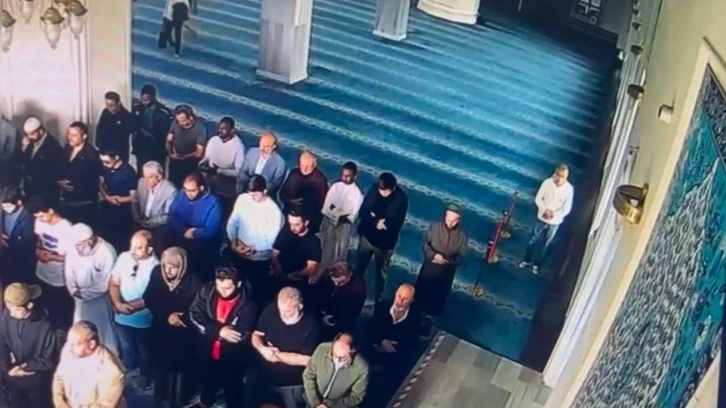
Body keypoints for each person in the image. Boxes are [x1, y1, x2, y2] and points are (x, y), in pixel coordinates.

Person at [189, 266, 257, 408]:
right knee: (207, 383)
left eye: (227, 288)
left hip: (233, 356)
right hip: (207, 349)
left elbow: (242, 332)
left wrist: (212, 329)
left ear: (238, 284)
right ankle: (206, 400)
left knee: (233, 389)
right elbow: (195, 312)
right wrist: (218, 331)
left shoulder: (249, 301)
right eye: (219, 286)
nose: (222, 292)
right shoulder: (208, 290)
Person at [143, 247, 202, 408]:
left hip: (182, 334)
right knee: (160, 366)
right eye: (165, 265)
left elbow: (198, 308)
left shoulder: (194, 281)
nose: (168, 270)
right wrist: (167, 315)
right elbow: (149, 298)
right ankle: (160, 397)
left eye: (173, 267)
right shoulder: (157, 273)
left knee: (179, 371)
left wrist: (180, 317)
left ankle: (177, 400)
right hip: (161, 330)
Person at [252, 287, 321, 408]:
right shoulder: (271, 310)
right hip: (266, 378)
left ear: (299, 306)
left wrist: (274, 355)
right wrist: (262, 349)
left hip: (292, 384)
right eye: (281, 310)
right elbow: (256, 334)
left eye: (288, 311)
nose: (284, 315)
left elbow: (307, 360)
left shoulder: (312, 324)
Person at [108, 231, 158, 385]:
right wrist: (118, 304)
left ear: (149, 249)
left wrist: (131, 307)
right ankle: (129, 370)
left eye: (138, 248)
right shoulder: (124, 258)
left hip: (143, 321)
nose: (132, 251)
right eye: (132, 246)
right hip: (121, 318)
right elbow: (114, 283)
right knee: (126, 346)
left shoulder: (156, 267)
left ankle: (145, 377)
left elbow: (152, 296)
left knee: (144, 351)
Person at [226, 174, 284, 305]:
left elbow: (273, 240)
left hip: (259, 259)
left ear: (265, 191)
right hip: (238, 252)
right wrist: (234, 241)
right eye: (250, 194)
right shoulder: (243, 199)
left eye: (256, 195)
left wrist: (252, 248)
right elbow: (233, 222)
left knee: (255, 291)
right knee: (237, 286)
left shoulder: (274, 211)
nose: (253, 198)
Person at [64, 223, 119, 355]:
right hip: (79, 299)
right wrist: (74, 290)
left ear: (90, 241)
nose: (76, 248)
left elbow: (105, 282)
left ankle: (109, 355)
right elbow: (68, 272)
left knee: (103, 329)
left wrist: (85, 294)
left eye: (80, 245)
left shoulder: (106, 252)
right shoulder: (73, 247)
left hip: (100, 299)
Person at [1, 283, 58, 408]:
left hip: (37, 384)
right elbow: (2, 343)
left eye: (16, 310)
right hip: (13, 381)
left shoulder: (44, 324)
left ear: (29, 305)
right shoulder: (6, 315)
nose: (12, 314)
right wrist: (8, 368)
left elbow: (49, 358)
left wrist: (25, 368)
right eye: (10, 309)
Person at [415, 205, 468, 334]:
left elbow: (462, 258)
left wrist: (446, 261)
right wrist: (433, 255)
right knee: (420, 295)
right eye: (448, 219)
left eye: (453, 221)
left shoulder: (462, 237)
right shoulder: (435, 227)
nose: (450, 223)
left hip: (445, 273)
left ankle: (428, 323)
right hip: (429, 268)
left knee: (437, 299)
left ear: (458, 220)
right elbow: (425, 244)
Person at [355, 172, 408, 300]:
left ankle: (378, 299)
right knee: (359, 267)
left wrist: (375, 217)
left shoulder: (401, 199)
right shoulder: (374, 190)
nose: (382, 193)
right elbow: (363, 211)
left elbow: (396, 223)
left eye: (386, 191)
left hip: (384, 244)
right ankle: (354, 292)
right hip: (367, 237)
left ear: (393, 188)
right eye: (381, 190)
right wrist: (377, 222)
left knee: (381, 274)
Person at [52, 321, 126, 408]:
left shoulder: (112, 371)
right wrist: (61, 404)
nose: (70, 348)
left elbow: (105, 406)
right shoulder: (69, 350)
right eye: (69, 343)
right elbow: (59, 377)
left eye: (75, 344)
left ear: (91, 344)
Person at [27, 196, 75, 329]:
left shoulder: (67, 228)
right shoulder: (40, 223)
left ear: (50, 211)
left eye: (42, 216)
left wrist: (51, 257)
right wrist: (38, 251)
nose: (40, 219)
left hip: (58, 278)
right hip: (42, 272)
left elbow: (72, 256)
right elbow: (39, 240)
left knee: (59, 310)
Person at [519, 164, 574, 275]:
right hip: (541, 218)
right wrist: (544, 210)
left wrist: (553, 214)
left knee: (545, 244)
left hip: (554, 222)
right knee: (533, 240)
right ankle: (526, 260)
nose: (559, 178)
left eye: (562, 176)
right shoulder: (547, 183)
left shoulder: (569, 189)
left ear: (566, 177)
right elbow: (538, 198)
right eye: (558, 175)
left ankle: (537, 265)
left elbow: (566, 208)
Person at [168, 172, 223, 281]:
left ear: (201, 188)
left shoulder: (214, 202)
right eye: (186, 190)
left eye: (192, 191)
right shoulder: (181, 194)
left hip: (204, 242)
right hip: (182, 235)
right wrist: (183, 230)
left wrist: (194, 233)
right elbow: (173, 214)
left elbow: (212, 229)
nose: (188, 194)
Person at [368, 283, 419, 393]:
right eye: (399, 296)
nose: (400, 301)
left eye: (405, 299)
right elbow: (372, 328)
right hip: (376, 346)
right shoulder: (382, 306)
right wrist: (381, 342)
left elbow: (411, 343)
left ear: (411, 300)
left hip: (397, 355)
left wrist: (393, 349)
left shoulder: (416, 318)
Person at [302, 333, 369, 408]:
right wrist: (316, 403)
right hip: (311, 402)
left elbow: (356, 396)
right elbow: (308, 375)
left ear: (352, 351)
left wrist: (329, 405)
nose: (338, 360)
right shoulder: (322, 349)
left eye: (343, 358)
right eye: (335, 355)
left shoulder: (361, 367)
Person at [320, 161, 363, 267]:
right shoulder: (335, 186)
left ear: (355, 176)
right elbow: (326, 206)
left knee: (340, 250)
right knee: (325, 247)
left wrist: (339, 215)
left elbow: (353, 215)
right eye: (343, 175)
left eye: (348, 176)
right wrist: (336, 213)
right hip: (329, 221)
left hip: (344, 226)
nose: (344, 178)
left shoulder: (357, 194)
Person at [59, 121, 102, 227]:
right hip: (68, 200)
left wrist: (75, 186)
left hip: (84, 204)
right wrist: (59, 182)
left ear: (84, 136)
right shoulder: (67, 149)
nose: (70, 137)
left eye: (74, 135)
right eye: (69, 134)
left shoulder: (91, 155)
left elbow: (93, 181)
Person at [271, 209, 322, 296]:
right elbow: (274, 254)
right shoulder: (285, 233)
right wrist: (279, 270)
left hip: (299, 283)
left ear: (306, 222)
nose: (292, 228)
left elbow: (311, 268)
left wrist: (295, 275)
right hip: (280, 279)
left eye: (297, 225)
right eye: (290, 224)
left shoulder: (313, 241)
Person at [199, 116, 245, 212]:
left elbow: (238, 172)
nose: (220, 131)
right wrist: (201, 164)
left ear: (232, 130)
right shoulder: (213, 140)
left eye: (224, 129)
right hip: (210, 184)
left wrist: (219, 171)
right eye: (219, 128)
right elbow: (207, 157)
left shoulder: (239, 147)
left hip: (226, 190)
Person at [131, 160, 178, 252]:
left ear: (159, 177)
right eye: (144, 176)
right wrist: (137, 218)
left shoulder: (170, 191)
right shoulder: (141, 182)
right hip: (141, 222)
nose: (145, 180)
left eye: (149, 177)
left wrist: (149, 223)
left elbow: (167, 216)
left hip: (159, 227)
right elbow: (135, 201)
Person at [313, 261, 366, 340]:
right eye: (333, 281)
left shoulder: (358, 287)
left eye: (340, 282)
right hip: (323, 312)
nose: (336, 284)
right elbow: (318, 293)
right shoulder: (327, 275)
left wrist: (335, 319)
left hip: (344, 318)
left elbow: (353, 312)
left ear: (349, 275)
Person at [279, 150, 328, 234]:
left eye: (308, 167)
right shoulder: (294, 174)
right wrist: (290, 201)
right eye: (302, 166)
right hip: (289, 216)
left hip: (308, 221)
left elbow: (320, 204)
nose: (304, 169)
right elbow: (282, 193)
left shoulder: (319, 180)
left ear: (314, 165)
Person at [20, 116, 64, 208]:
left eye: (32, 134)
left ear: (40, 131)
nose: (29, 137)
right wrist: (23, 149)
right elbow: (25, 163)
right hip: (31, 192)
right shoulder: (29, 143)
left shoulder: (53, 146)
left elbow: (55, 174)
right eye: (27, 134)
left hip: (46, 194)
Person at [99, 150, 138, 252]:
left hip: (123, 212)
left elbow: (134, 197)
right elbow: (100, 183)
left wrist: (118, 199)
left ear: (116, 157)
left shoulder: (129, 172)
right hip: (107, 209)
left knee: (121, 242)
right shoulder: (104, 168)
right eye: (102, 162)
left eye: (107, 162)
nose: (104, 164)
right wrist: (106, 197)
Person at [131, 84, 173, 173]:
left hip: (157, 149)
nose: (144, 102)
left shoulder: (163, 112)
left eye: (147, 100)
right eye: (143, 100)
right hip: (141, 148)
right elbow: (133, 125)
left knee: (157, 172)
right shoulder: (137, 107)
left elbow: (166, 132)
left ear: (153, 97)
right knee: (141, 172)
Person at [1, 186, 36, 284]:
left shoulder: (28, 218)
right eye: (3, 207)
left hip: (20, 260)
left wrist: (10, 242)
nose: (5, 209)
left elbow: (28, 245)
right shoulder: (3, 211)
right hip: (5, 255)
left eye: (8, 207)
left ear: (19, 202)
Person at [236, 132, 287, 198]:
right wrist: (248, 185)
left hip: (264, 195)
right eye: (261, 145)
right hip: (246, 190)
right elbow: (243, 172)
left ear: (273, 146)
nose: (262, 149)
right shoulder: (252, 152)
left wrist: (258, 188)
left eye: (266, 146)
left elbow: (274, 186)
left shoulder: (280, 164)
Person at [166, 105, 207, 187]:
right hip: (174, 159)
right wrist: (170, 153)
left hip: (189, 162)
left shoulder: (200, 129)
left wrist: (182, 157)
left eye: (183, 121)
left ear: (190, 117)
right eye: (178, 121)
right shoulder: (176, 122)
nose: (180, 123)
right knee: (171, 183)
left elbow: (199, 153)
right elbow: (169, 139)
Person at [95, 91, 135, 162]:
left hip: (119, 152)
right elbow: (99, 129)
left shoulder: (126, 116)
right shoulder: (105, 112)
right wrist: (99, 144)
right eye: (107, 105)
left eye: (111, 105)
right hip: (104, 150)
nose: (109, 108)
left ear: (118, 103)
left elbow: (127, 133)